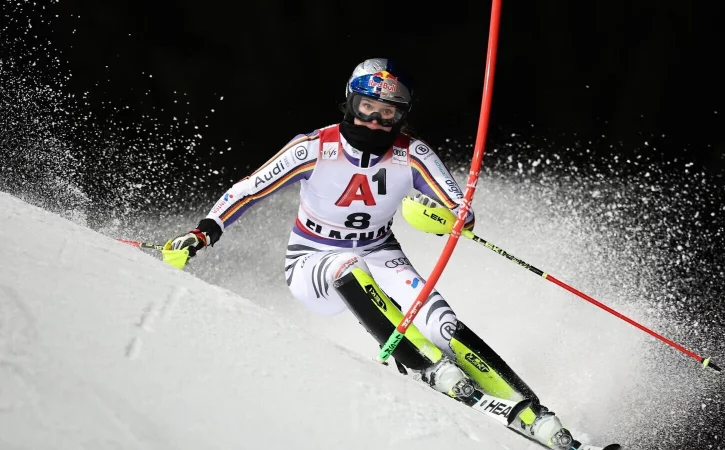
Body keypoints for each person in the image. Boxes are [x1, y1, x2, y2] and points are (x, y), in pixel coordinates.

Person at [166, 58, 608, 450]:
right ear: (350, 104)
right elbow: (250, 189)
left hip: (380, 250)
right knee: (347, 265)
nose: (376, 122)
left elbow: (458, 205)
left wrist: (453, 215)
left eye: (389, 114)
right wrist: (203, 233)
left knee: (443, 323)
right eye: (368, 110)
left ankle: (538, 417)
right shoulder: (314, 147)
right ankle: (426, 366)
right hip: (311, 261)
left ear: (402, 116)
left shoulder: (410, 154)